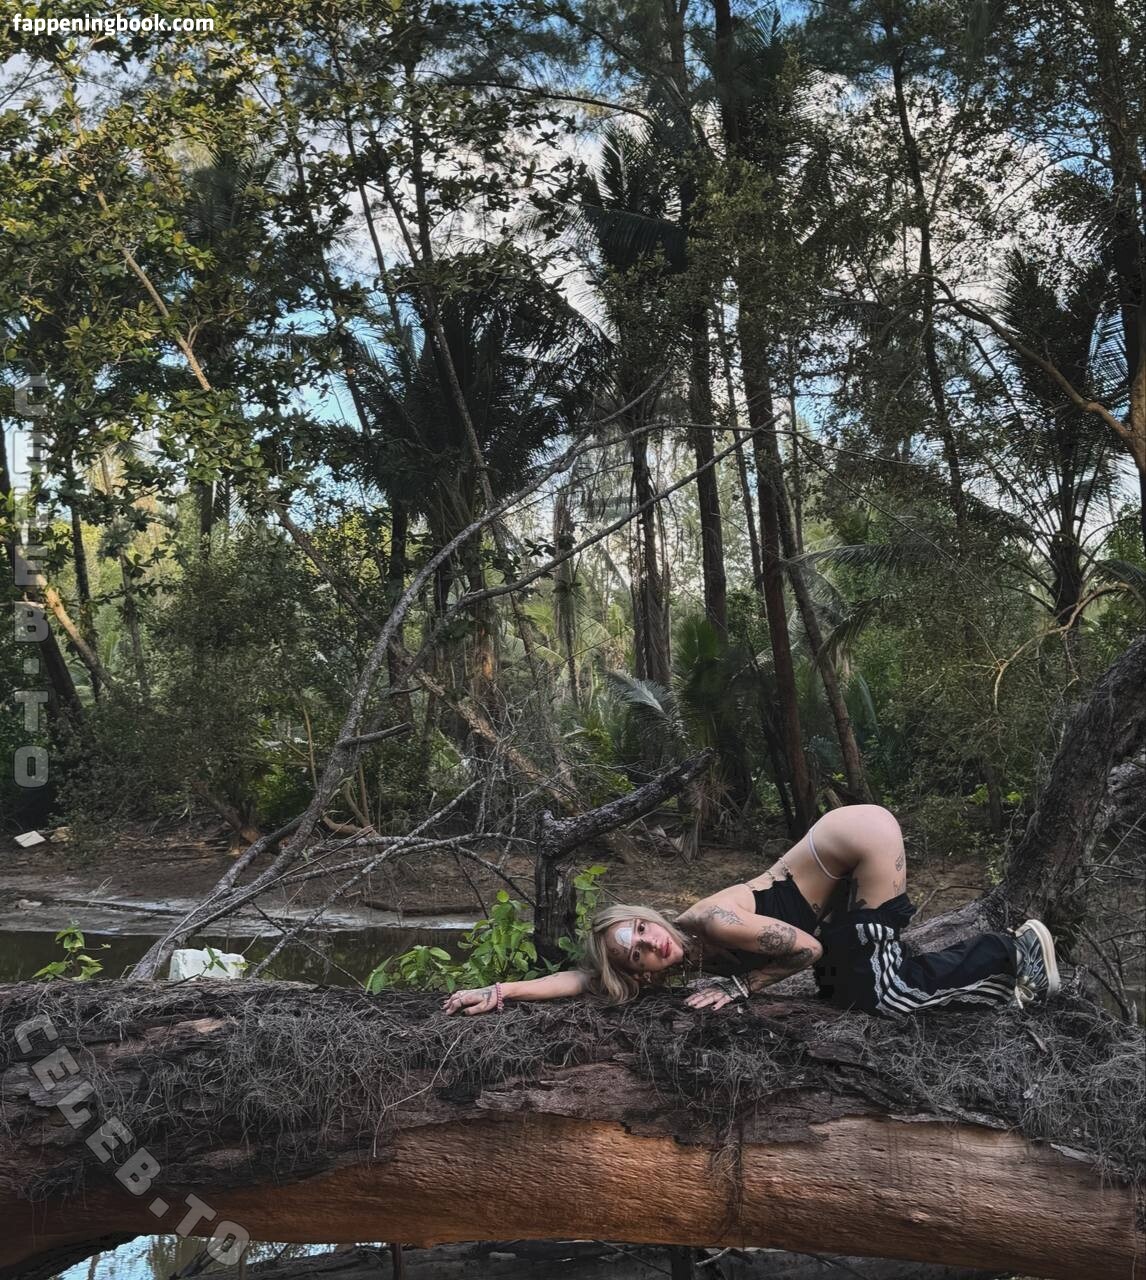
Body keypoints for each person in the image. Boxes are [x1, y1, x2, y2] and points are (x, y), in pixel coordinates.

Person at [442, 804, 1059, 1018]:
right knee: (841, 990)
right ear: (639, 974)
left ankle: (1013, 952)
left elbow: (806, 949)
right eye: (637, 955)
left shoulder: (712, 923)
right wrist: (501, 990)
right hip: (836, 864)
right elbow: (582, 980)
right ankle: (998, 978)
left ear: (649, 915)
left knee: (882, 995)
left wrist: (740, 987)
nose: (650, 944)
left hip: (864, 841)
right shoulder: (675, 955)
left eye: (642, 929)